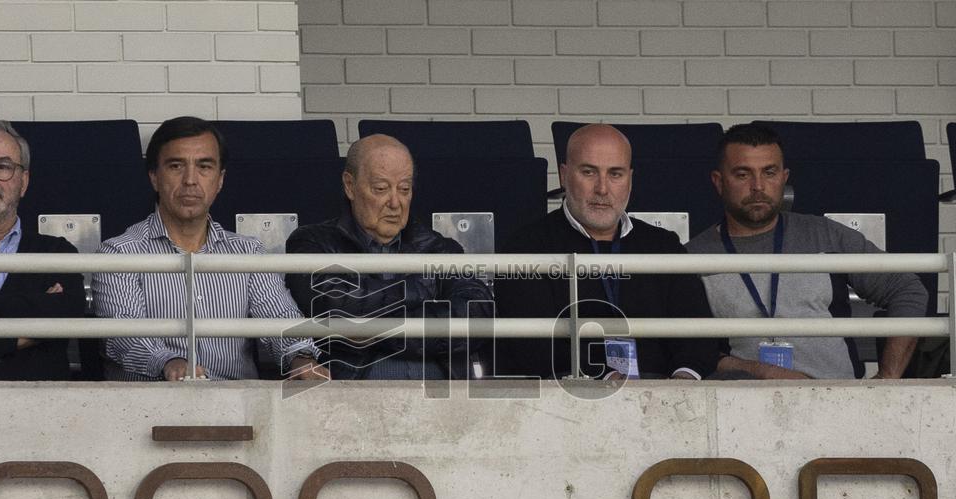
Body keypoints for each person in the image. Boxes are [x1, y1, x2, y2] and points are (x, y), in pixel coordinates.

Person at [685, 123, 928, 379]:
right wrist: (765, 372)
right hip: (739, 404)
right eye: (743, 174)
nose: (758, 186)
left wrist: (887, 379)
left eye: (769, 172)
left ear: (784, 177)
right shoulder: (693, 256)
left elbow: (907, 289)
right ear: (719, 182)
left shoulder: (826, 235)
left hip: (837, 401)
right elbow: (690, 352)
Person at [92, 116, 324, 381]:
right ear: (154, 177)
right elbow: (124, 336)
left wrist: (301, 357)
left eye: (204, 166)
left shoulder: (248, 253)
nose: (190, 180)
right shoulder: (119, 253)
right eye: (176, 166)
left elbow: (280, 318)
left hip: (238, 409)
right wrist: (170, 362)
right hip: (151, 407)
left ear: (220, 180)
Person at [495, 124, 718, 380]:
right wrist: (602, 380)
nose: (602, 188)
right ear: (564, 175)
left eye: (615, 174)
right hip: (571, 400)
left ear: (630, 180)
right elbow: (531, 349)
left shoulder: (663, 246)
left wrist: (684, 380)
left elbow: (698, 334)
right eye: (589, 172)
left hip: (663, 397)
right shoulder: (525, 247)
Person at [285, 134, 493, 379]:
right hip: (352, 398)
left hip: (441, 398)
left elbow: (477, 313)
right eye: (381, 189)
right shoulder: (313, 243)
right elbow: (336, 308)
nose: (395, 202)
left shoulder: (440, 248)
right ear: (350, 186)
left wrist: (375, 331)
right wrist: (422, 292)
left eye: (404, 189)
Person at [0, 120, 84, 380]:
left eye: (3, 166)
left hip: (47, 413)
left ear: (23, 182)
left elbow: (68, 310)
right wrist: (33, 331)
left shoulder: (56, 251)